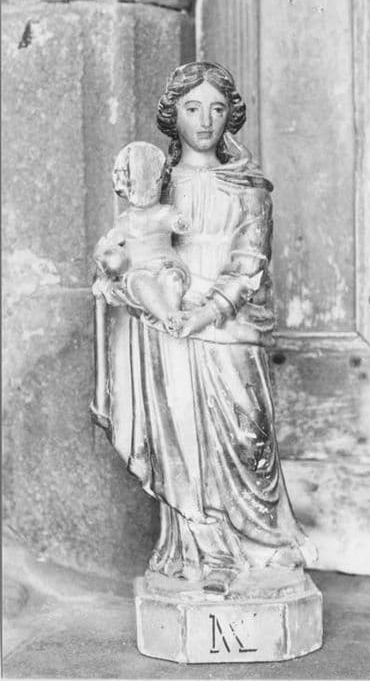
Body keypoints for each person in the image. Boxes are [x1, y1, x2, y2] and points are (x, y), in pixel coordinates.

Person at [92, 62, 316, 594]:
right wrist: (118, 276)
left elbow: (249, 264)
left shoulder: (249, 187)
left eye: (217, 108)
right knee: (180, 442)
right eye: (193, 108)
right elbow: (131, 249)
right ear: (174, 115)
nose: (205, 120)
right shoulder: (154, 183)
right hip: (167, 329)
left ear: (230, 116)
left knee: (247, 437)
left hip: (229, 328)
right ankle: (197, 551)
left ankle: (264, 550)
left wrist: (207, 311)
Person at [92, 141, 190, 335]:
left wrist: (179, 223)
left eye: (152, 179)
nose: (146, 188)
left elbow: (173, 220)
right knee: (140, 284)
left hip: (167, 265)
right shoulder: (125, 220)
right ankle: (166, 317)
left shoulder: (162, 212)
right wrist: (106, 255)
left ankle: (174, 314)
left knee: (173, 280)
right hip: (139, 270)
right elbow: (111, 244)